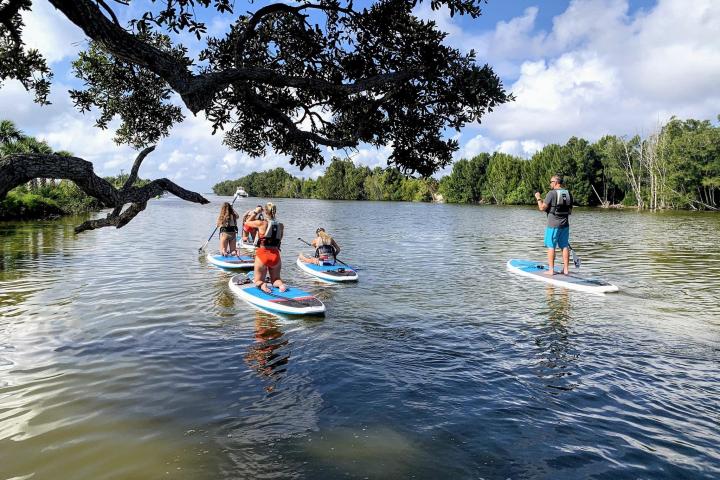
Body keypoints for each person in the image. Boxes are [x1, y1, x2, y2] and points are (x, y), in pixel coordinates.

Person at [243, 202, 287, 293]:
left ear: (265, 212)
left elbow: (246, 223)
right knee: (276, 279)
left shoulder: (261, 223)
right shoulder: (281, 226)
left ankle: (263, 285)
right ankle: (281, 285)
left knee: (258, 281)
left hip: (262, 254)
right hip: (275, 256)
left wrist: (256, 212)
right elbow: (279, 240)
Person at [534, 175, 573, 275]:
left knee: (551, 246)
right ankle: (566, 270)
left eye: (551, 181)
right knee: (564, 246)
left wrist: (538, 198)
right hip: (565, 225)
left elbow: (542, 208)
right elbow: (570, 210)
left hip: (553, 225)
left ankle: (551, 270)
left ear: (555, 182)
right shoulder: (568, 193)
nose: (550, 184)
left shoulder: (551, 193)